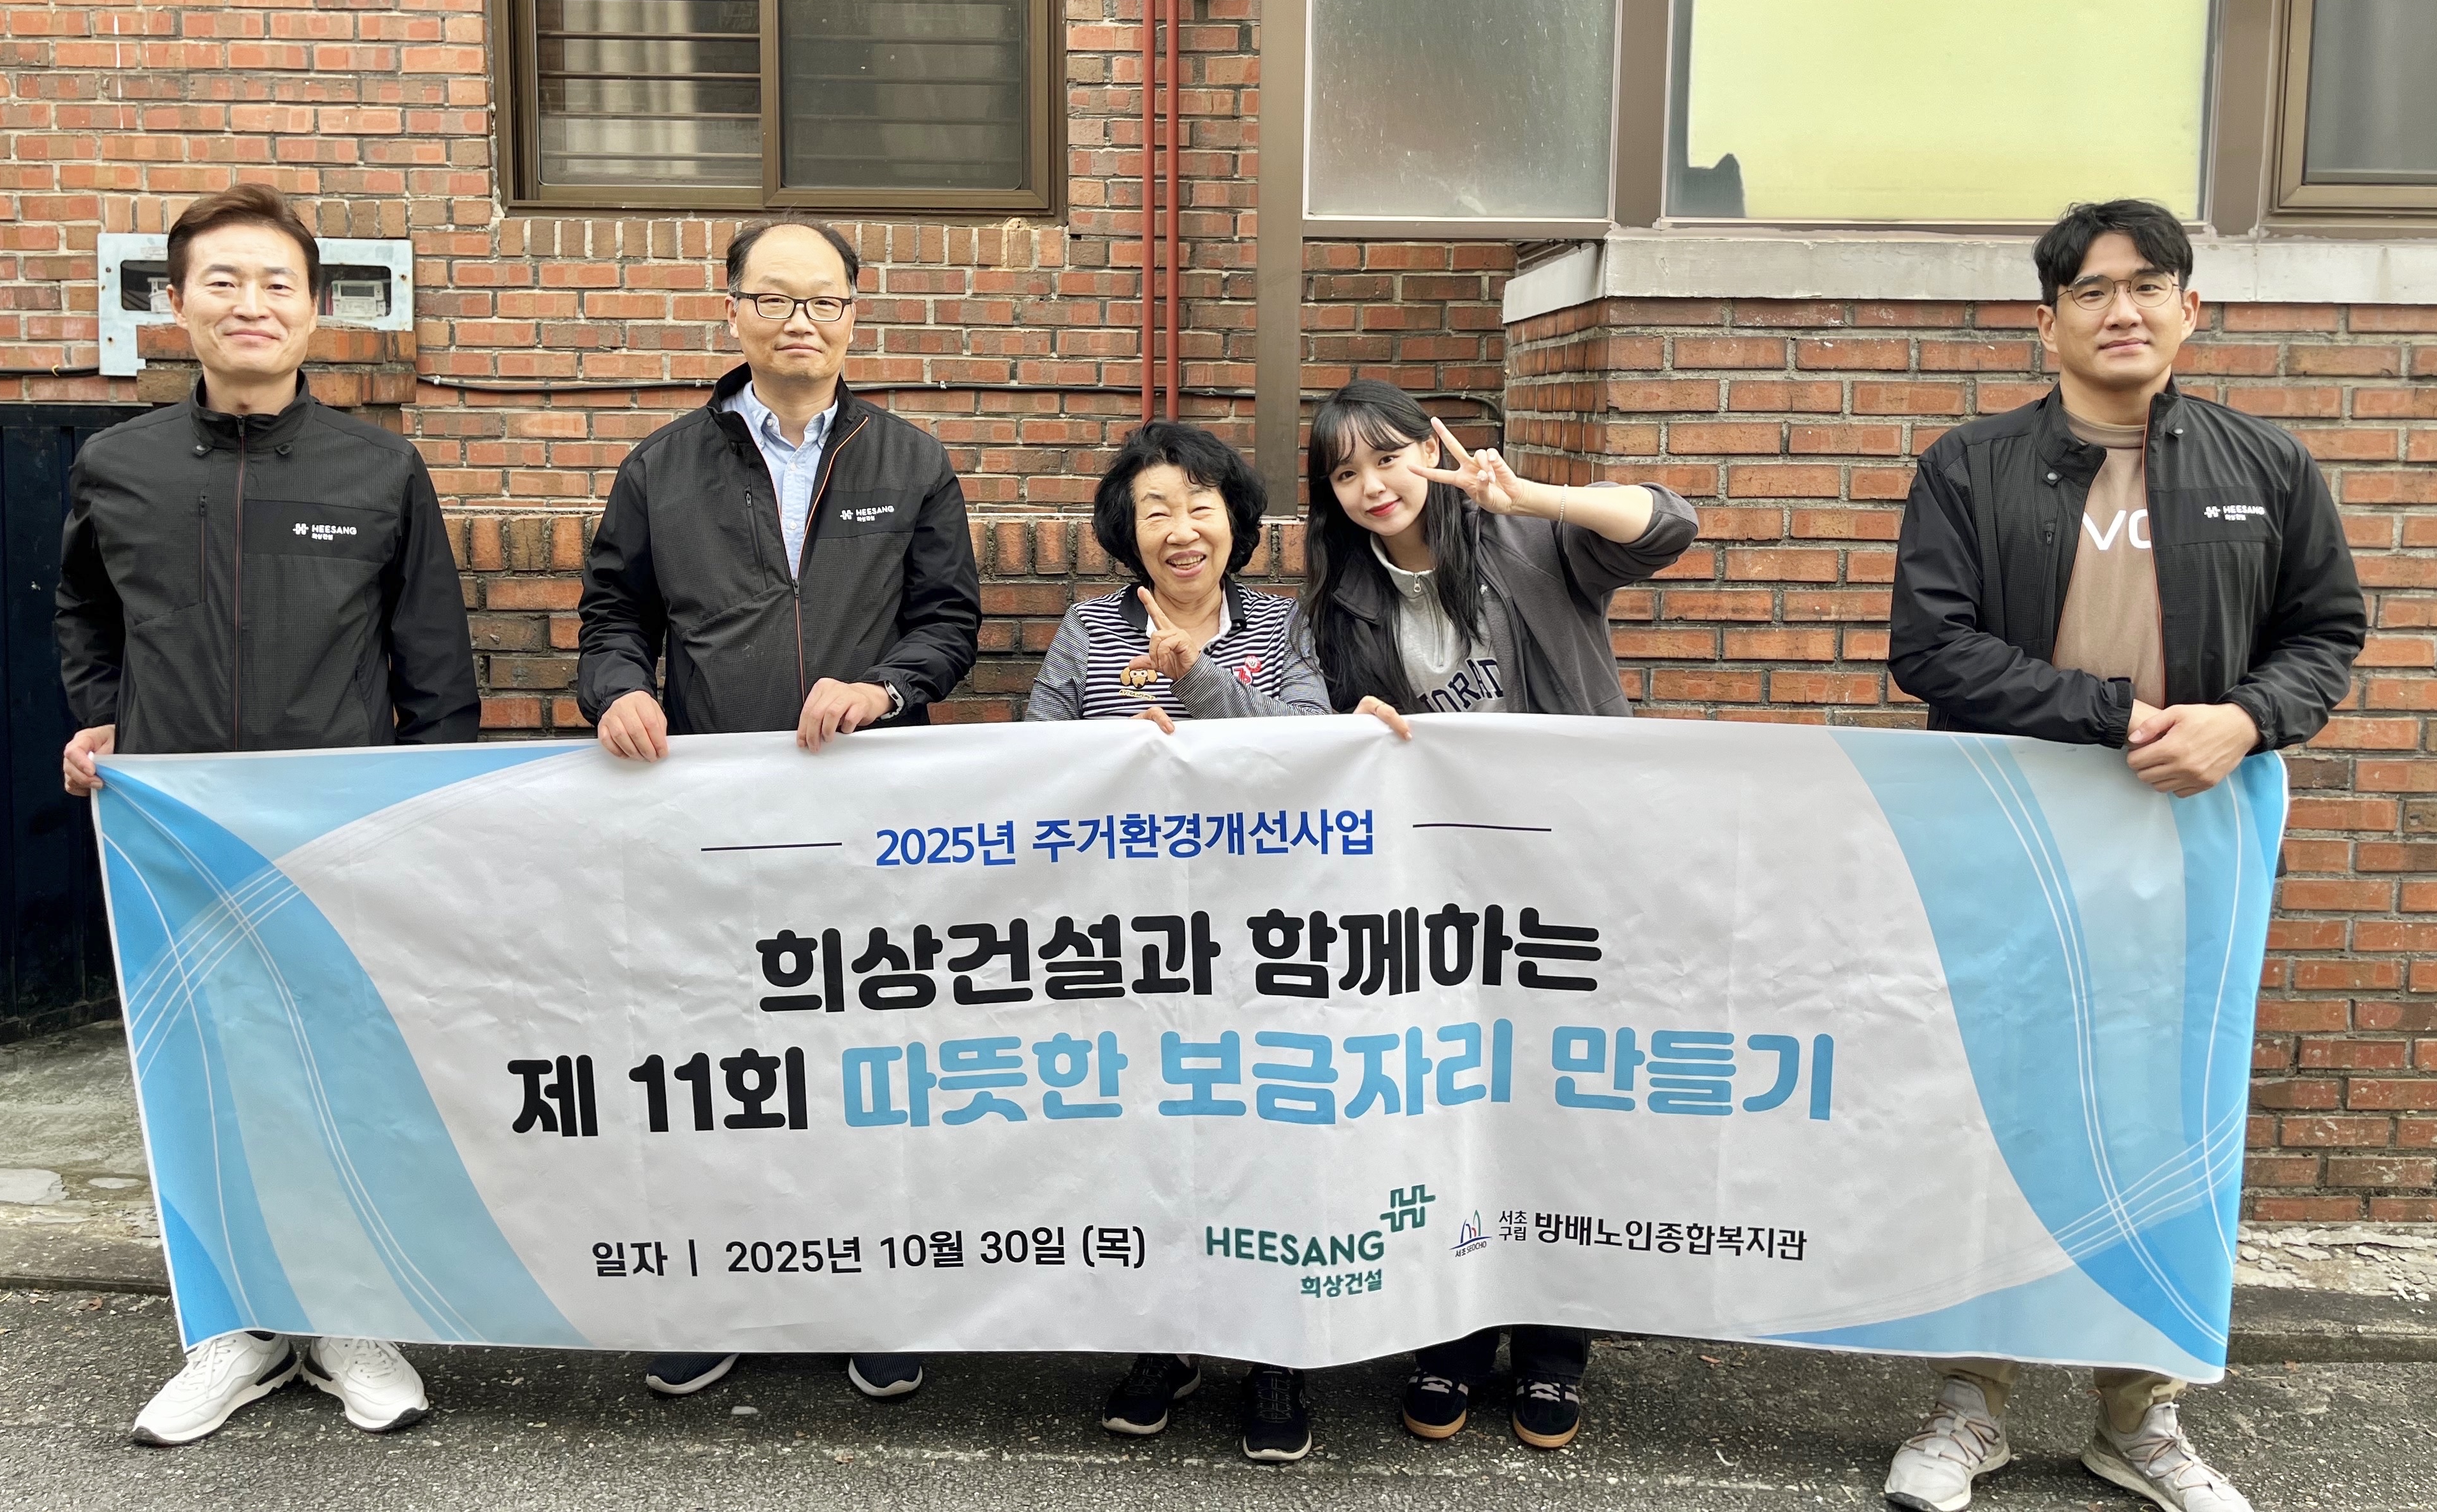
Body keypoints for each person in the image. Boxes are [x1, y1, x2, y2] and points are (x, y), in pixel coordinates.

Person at [1881, 199, 2365, 1512]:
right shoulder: (1970, 466)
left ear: (2190, 309)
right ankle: (1968, 1403)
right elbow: (1931, 647)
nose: (2123, 310)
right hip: (2014, 843)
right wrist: (2114, 715)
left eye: (2150, 285)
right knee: (2003, 1110)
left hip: (2187, 845)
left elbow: (2325, 634)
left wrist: (2244, 720)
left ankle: (2139, 1415)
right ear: (2046, 323)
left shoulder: (2267, 465)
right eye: (2092, 291)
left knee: (2165, 1116)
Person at [57, 182, 479, 1446]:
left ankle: (347, 1317)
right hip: (175, 841)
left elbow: (433, 660)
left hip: (338, 838)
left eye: (277, 283)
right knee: (206, 1082)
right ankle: (235, 1330)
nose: (252, 304)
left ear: (315, 309)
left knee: (343, 1074)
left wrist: (431, 818)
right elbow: (87, 614)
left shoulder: (379, 469)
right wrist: (104, 719)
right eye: (224, 281)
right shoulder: (118, 466)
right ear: (177, 303)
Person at [577, 216, 981, 1407]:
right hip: (714, 823)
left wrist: (887, 688)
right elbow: (612, 619)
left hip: (874, 823)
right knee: (722, 1061)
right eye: (774, 298)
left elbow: (949, 623)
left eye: (824, 301)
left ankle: (875, 1289)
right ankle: (715, 1292)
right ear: (733, 310)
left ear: (855, 314)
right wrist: (618, 690)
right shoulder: (661, 468)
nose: (800, 320)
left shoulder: (910, 461)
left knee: (869, 1066)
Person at [1303, 377, 1699, 1451]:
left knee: (1557, 1102)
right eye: (1345, 472)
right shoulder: (1341, 604)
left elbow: (1671, 524)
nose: (1372, 485)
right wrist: (1357, 724)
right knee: (1451, 1103)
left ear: (1427, 456)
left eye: (1387, 457)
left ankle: (1555, 1345)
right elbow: (1326, 738)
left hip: (1575, 872)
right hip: (1447, 894)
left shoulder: (1524, 545)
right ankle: (1454, 1332)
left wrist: (1535, 498)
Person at [1023, 421, 1329, 1462]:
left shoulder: (1283, 624)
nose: (1181, 529)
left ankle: (1276, 1352)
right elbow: (1035, 754)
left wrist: (1196, 679)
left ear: (1235, 522)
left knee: (1266, 1136)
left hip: (1265, 934)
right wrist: (1114, 747)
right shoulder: (1088, 629)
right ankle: (1169, 1336)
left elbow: (1313, 741)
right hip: (1134, 934)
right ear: (1129, 530)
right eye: (1156, 510)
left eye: (1201, 506)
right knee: (1154, 1136)